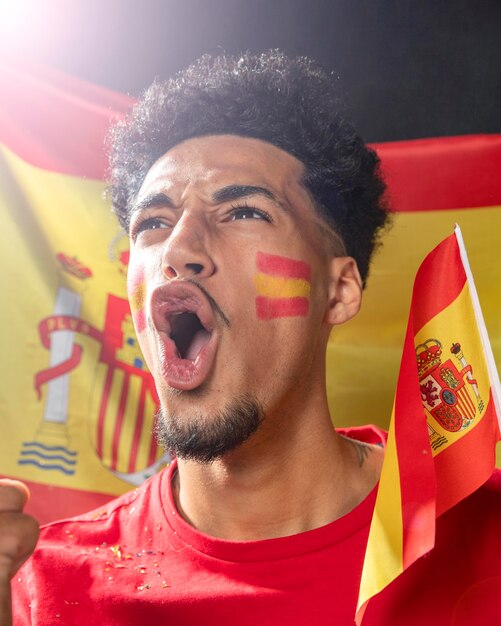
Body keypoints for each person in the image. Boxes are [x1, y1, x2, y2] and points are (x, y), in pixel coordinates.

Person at [1, 51, 500, 626]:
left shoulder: (482, 537)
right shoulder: (33, 590)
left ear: (338, 291)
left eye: (242, 212)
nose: (178, 251)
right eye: (152, 224)